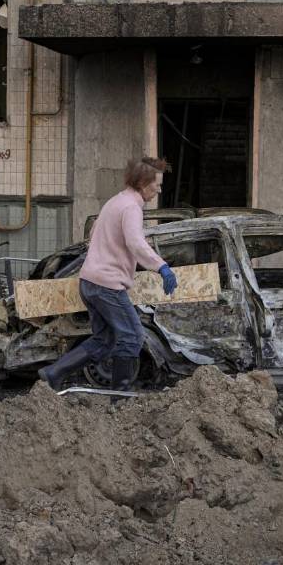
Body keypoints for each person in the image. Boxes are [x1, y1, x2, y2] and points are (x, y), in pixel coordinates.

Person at [38, 157, 178, 392]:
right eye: (158, 185)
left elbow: (94, 237)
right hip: (108, 286)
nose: (159, 189)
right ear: (144, 183)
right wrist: (161, 266)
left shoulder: (114, 202)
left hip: (89, 282)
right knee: (132, 337)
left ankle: (53, 372)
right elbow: (135, 242)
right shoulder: (132, 208)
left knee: (104, 340)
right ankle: (119, 396)